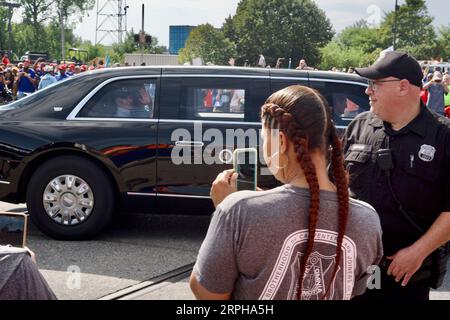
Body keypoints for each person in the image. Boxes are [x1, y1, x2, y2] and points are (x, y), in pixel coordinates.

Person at [190, 85, 383, 300]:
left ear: (281, 141)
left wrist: (226, 211)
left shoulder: (238, 211)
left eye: (264, 139)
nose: (264, 149)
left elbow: (208, 294)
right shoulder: (369, 219)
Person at [345, 51, 450, 300]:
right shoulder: (359, 127)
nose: (368, 91)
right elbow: (334, 188)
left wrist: (418, 252)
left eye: (375, 84)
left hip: (405, 275)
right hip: (355, 270)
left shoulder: (443, 137)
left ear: (403, 87)